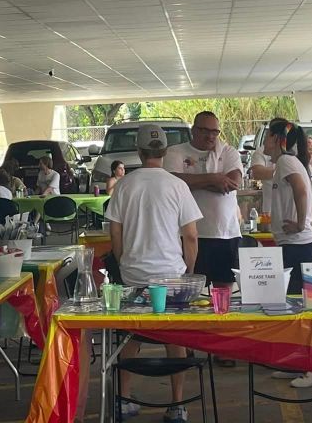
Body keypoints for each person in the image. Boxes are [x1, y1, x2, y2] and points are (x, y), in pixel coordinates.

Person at [105, 124, 201, 423]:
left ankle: (125, 399)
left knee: (131, 336)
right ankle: (177, 404)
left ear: (138, 151)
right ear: (165, 151)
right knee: (175, 338)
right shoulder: (177, 185)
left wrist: (124, 263)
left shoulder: (124, 185)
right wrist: (189, 272)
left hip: (134, 275)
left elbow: (115, 232)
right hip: (171, 276)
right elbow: (191, 236)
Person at [163, 111, 242, 287]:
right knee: (189, 290)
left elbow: (232, 183)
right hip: (188, 234)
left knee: (223, 292)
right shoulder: (175, 152)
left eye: (215, 132)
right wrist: (214, 178)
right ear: (193, 130)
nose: (210, 136)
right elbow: (172, 183)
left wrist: (190, 183)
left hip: (225, 234)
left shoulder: (229, 152)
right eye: (205, 131)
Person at [263, 120, 312, 294]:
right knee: (299, 299)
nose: (264, 141)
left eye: (267, 135)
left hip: (298, 245)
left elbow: (300, 189)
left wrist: (300, 225)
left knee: (297, 301)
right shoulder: (286, 161)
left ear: (276, 138)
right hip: (295, 245)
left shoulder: (285, 160)